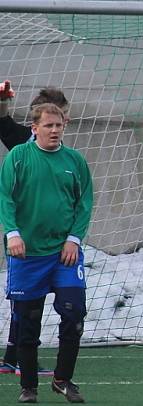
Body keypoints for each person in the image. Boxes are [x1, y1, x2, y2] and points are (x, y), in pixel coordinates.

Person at [0, 103, 92, 403]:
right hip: (27, 256)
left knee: (74, 312)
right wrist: (13, 233)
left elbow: (84, 204)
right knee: (28, 320)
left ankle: (63, 379)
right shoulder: (18, 157)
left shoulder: (74, 161)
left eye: (59, 126)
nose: (54, 131)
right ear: (34, 128)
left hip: (64, 254)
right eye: (48, 126)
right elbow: (6, 197)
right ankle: (28, 386)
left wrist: (74, 239)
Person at [0, 81, 70, 376]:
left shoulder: (60, 154)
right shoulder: (24, 147)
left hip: (40, 236)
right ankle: (19, 359)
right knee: (28, 299)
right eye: (55, 118)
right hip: (26, 236)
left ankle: (12, 356)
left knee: (26, 298)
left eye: (62, 119)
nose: (59, 126)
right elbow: (3, 122)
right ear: (37, 122)